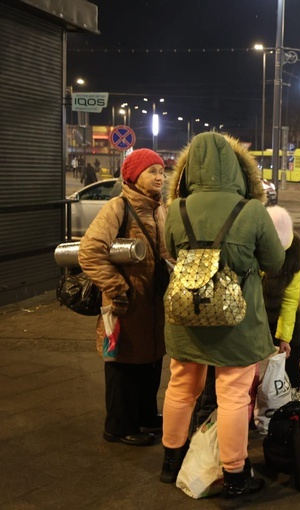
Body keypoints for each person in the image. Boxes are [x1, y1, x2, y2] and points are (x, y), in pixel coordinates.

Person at [160, 132, 284, 506]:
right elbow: (275, 262)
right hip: (237, 320)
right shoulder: (251, 211)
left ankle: (171, 460)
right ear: (238, 168)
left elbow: (169, 250)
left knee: (181, 386)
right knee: (232, 394)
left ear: (187, 169)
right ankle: (234, 475)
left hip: (186, 315)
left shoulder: (177, 209)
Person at [78, 148, 169, 447]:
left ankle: (144, 416)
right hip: (124, 304)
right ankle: (118, 426)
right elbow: (90, 251)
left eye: (161, 171)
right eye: (152, 171)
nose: (160, 176)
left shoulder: (159, 208)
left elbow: (164, 253)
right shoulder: (118, 207)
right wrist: (118, 288)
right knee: (123, 364)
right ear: (134, 176)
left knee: (150, 360)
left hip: (152, 304)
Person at [263, 205, 300, 402]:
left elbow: (290, 300)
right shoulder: (251, 249)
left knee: (291, 355)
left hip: (283, 316)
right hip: (256, 317)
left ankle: (294, 390)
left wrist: (284, 338)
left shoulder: (293, 255)